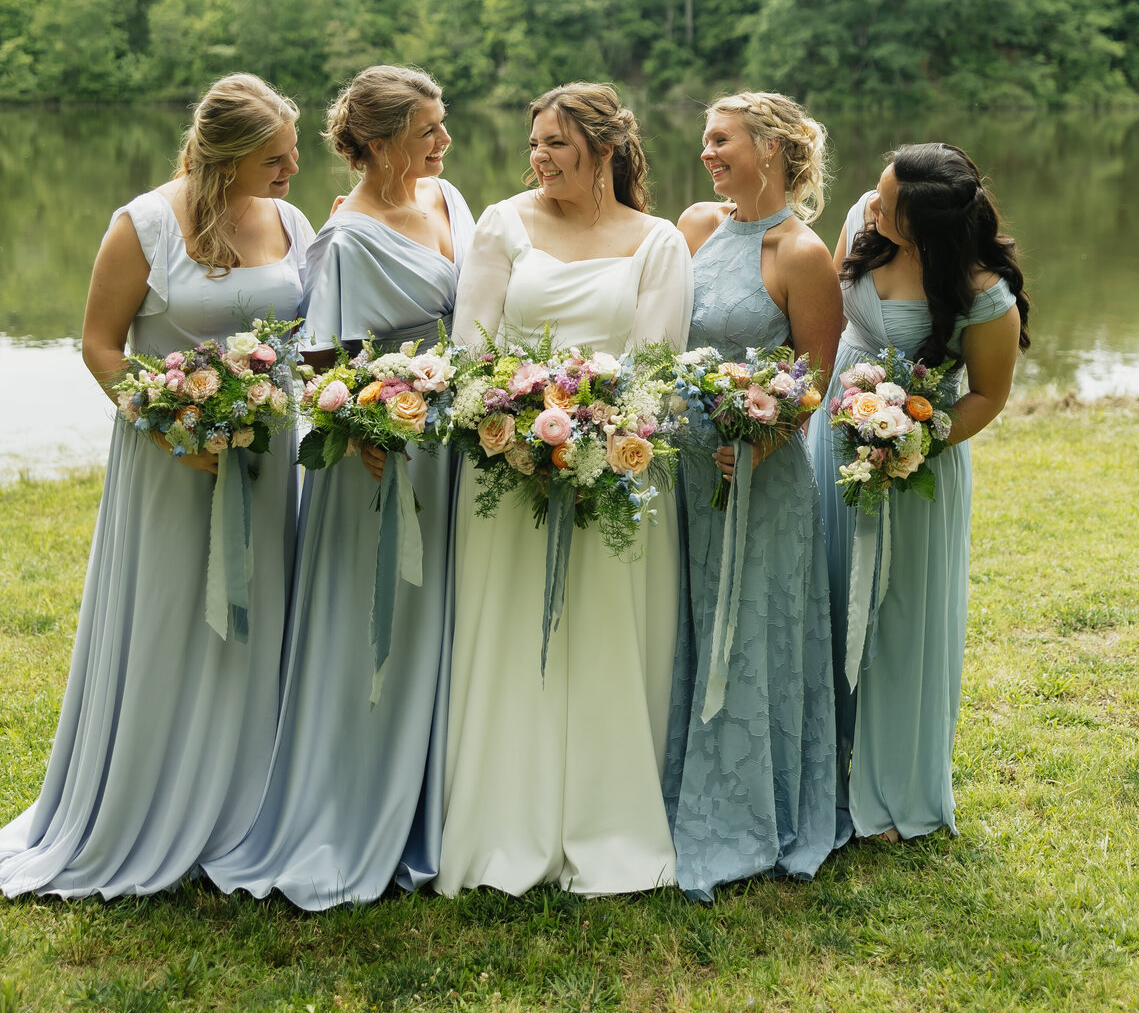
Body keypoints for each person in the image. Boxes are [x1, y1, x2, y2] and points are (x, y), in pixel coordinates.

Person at [0, 74, 313, 899]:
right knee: (175, 613)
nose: (289, 171)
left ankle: (248, 804)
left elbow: (309, 338)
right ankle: (147, 799)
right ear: (228, 155)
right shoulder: (141, 223)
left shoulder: (291, 220)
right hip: (173, 458)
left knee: (260, 622)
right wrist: (177, 428)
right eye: (273, 159)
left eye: (292, 155)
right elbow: (101, 345)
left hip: (268, 456)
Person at [207, 65, 472, 908]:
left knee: (445, 620)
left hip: (453, 432)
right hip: (380, 450)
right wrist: (367, 428)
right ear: (384, 141)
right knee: (377, 620)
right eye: (428, 130)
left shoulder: (448, 199)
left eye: (442, 124)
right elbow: (324, 356)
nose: (443, 141)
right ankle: (357, 804)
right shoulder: (350, 237)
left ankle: (439, 796)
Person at [436, 83, 693, 897]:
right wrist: (516, 424)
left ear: (605, 151)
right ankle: (503, 822)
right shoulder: (501, 225)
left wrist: (598, 434)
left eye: (556, 144)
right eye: (534, 143)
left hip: (616, 469)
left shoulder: (657, 243)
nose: (538, 158)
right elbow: (470, 351)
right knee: (513, 635)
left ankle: (607, 817)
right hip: (507, 469)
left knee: (604, 635)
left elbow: (654, 369)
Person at [809, 142, 1028, 844]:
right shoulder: (864, 224)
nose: (871, 205)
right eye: (876, 190)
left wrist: (908, 442)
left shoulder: (982, 291)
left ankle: (896, 786)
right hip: (833, 437)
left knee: (900, 620)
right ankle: (825, 763)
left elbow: (988, 396)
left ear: (929, 229)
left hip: (916, 466)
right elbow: (832, 322)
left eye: (888, 203)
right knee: (831, 591)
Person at [663, 92, 842, 899]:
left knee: (754, 628)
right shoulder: (695, 225)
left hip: (759, 476)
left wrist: (762, 441)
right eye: (706, 140)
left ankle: (755, 804)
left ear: (768, 148)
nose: (708, 153)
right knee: (685, 619)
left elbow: (814, 376)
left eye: (721, 140)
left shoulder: (801, 253)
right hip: (680, 463)